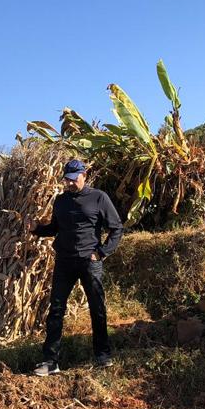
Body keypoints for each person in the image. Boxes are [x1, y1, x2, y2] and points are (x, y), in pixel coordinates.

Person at [27, 159, 123, 375]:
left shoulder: (99, 198)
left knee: (97, 308)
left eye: (73, 179)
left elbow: (116, 228)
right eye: (67, 180)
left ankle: (102, 354)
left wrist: (101, 253)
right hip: (64, 261)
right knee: (56, 310)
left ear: (84, 175)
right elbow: (54, 228)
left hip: (90, 263)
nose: (70, 184)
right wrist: (36, 229)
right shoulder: (60, 201)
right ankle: (51, 361)